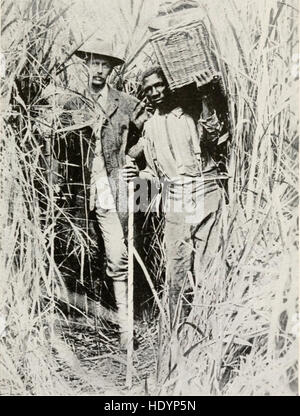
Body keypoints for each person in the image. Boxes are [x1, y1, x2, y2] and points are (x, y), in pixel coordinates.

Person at [54, 36, 148, 349]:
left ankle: (124, 330)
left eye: (104, 65)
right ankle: (85, 329)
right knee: (80, 256)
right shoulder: (72, 101)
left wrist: (134, 158)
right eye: (94, 63)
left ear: (111, 70)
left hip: (113, 189)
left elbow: (150, 131)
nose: (98, 70)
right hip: (78, 191)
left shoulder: (125, 102)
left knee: (119, 256)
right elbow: (51, 134)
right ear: (86, 65)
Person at [124, 66, 228, 329]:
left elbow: (213, 138)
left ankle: (211, 331)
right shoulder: (150, 127)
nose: (155, 92)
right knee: (177, 273)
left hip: (205, 193)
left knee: (208, 268)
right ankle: (176, 338)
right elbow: (151, 173)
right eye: (148, 89)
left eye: (159, 85)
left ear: (168, 84)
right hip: (176, 202)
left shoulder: (190, 112)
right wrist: (135, 174)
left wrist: (205, 98)